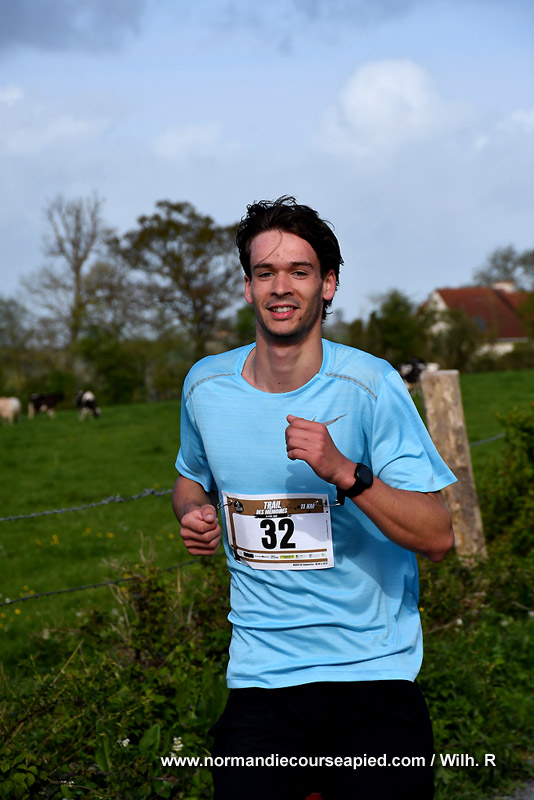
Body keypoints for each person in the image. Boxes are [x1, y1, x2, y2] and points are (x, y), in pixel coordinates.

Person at [172, 196, 456, 800]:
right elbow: (191, 477)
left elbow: (437, 536)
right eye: (265, 272)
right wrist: (192, 512)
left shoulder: (371, 385)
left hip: (372, 670)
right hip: (262, 674)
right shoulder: (206, 386)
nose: (281, 287)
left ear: (327, 285)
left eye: (299, 271)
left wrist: (345, 472)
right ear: (247, 287)